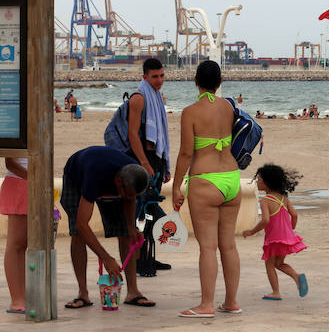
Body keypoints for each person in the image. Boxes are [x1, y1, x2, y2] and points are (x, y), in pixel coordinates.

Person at [172, 60, 241, 318]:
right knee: (229, 246)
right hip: (232, 179)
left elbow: (186, 152)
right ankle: (231, 301)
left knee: (208, 247)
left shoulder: (190, 112)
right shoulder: (228, 107)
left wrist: (177, 185)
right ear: (220, 82)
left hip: (205, 180)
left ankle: (206, 304)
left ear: (195, 82)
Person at [60, 146, 152, 309]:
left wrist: (131, 228)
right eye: (128, 194)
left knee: (124, 232)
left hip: (111, 178)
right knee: (77, 233)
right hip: (76, 175)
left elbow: (130, 199)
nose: (131, 199)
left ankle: (133, 292)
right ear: (119, 182)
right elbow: (82, 225)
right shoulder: (94, 175)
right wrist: (106, 258)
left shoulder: (134, 172)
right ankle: (83, 293)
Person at [115, 58, 172, 274]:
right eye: (155, 76)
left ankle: (148, 256)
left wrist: (164, 166)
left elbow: (161, 134)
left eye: (162, 75)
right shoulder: (139, 98)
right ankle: (138, 259)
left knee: (149, 211)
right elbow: (132, 134)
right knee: (140, 212)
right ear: (144, 77)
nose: (159, 80)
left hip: (155, 160)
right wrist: (145, 163)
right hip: (142, 160)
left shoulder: (157, 97)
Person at [241, 164, 308, 300]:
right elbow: (294, 215)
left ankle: (276, 292)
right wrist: (291, 229)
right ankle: (296, 276)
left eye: (259, 180)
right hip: (287, 237)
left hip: (274, 238)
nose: (257, 182)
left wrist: (252, 231)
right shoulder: (284, 198)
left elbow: (265, 220)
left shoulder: (265, 200)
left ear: (267, 182)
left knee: (270, 265)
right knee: (279, 263)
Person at [1, 158, 28, 313]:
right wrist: (34, 177)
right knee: (15, 244)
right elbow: (10, 163)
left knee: (23, 245)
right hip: (20, 181)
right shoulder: (16, 132)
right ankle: (16, 299)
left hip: (29, 181)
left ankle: (22, 296)